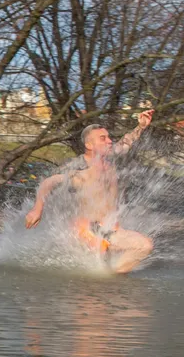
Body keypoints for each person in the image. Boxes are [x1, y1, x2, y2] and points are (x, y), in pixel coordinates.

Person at [25, 110, 155, 274]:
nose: (109, 141)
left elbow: (125, 143)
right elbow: (49, 182)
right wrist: (37, 208)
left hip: (110, 229)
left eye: (108, 137)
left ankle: (109, 279)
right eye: (103, 138)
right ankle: (107, 279)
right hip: (90, 230)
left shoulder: (109, 159)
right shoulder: (81, 168)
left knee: (141, 247)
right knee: (135, 249)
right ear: (89, 145)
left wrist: (140, 127)